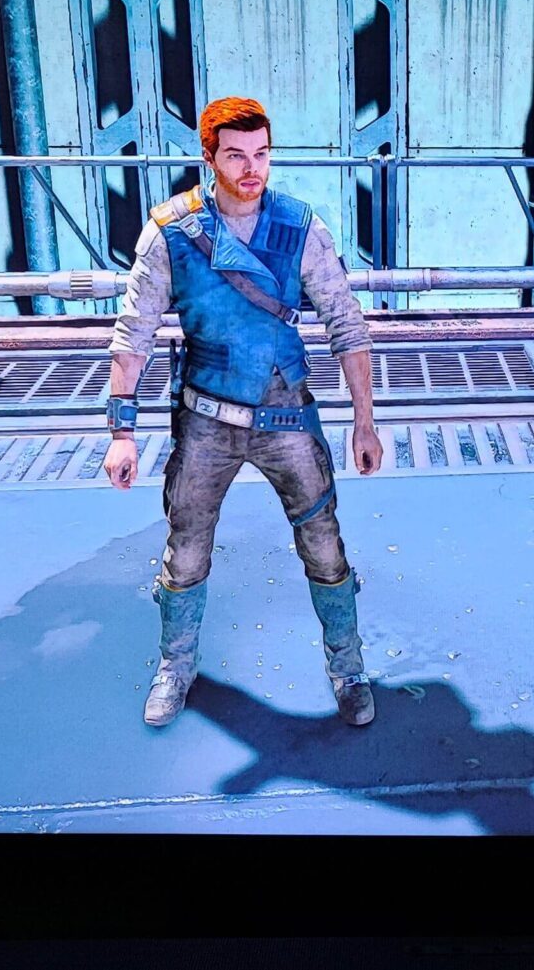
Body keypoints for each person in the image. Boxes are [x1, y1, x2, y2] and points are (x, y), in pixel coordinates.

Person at [100, 96, 386, 729]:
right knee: (186, 550)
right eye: (235, 155)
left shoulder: (300, 227)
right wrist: (122, 432)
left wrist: (364, 422)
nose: (252, 168)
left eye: (261, 154)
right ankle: (175, 665)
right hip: (207, 415)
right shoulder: (173, 232)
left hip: (285, 412)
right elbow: (134, 332)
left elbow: (346, 323)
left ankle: (348, 667)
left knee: (325, 546)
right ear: (209, 158)